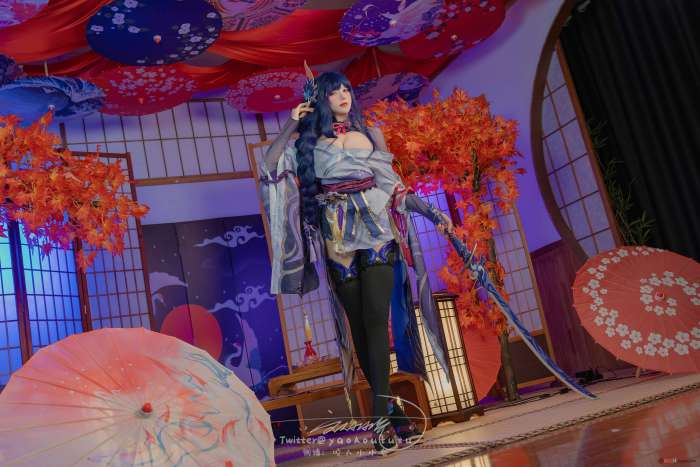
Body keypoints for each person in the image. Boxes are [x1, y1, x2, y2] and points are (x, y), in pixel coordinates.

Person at [259, 71, 454, 455]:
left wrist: (431, 212)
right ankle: (393, 413)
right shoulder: (307, 144)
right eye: (334, 92)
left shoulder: (371, 134)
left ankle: (379, 420)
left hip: (377, 230)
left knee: (376, 320)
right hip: (337, 237)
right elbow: (269, 165)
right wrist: (291, 124)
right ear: (321, 101)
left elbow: (394, 188)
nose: (343, 95)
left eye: (346, 89)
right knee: (361, 329)